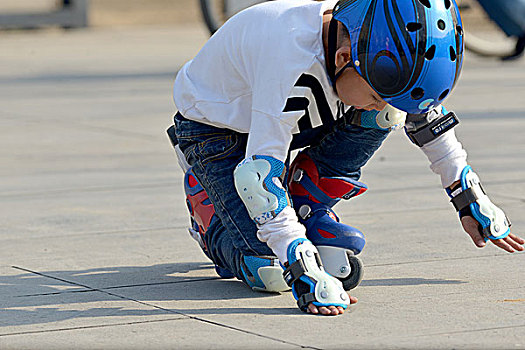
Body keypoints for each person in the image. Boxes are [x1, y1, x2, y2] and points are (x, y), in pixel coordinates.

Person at [167, 0, 524, 316]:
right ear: (341, 58)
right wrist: (304, 270)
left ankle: (308, 201)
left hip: (290, 115)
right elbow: (259, 178)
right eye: (375, 93)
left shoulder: (361, 42)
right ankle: (209, 213)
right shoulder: (291, 60)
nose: (381, 102)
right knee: (270, 271)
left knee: (387, 114)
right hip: (215, 131)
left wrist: (468, 197)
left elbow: (425, 116)